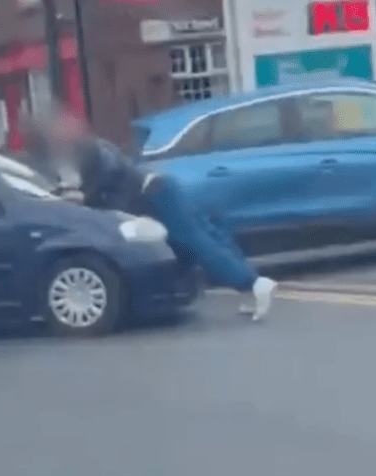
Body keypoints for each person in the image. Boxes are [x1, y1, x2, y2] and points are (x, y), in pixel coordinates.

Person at [27, 106, 277, 321]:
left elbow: (110, 180)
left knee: (198, 243)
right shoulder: (91, 146)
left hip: (155, 195)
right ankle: (251, 287)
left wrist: (90, 202)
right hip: (161, 187)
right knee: (204, 237)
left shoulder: (88, 150)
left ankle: (253, 284)